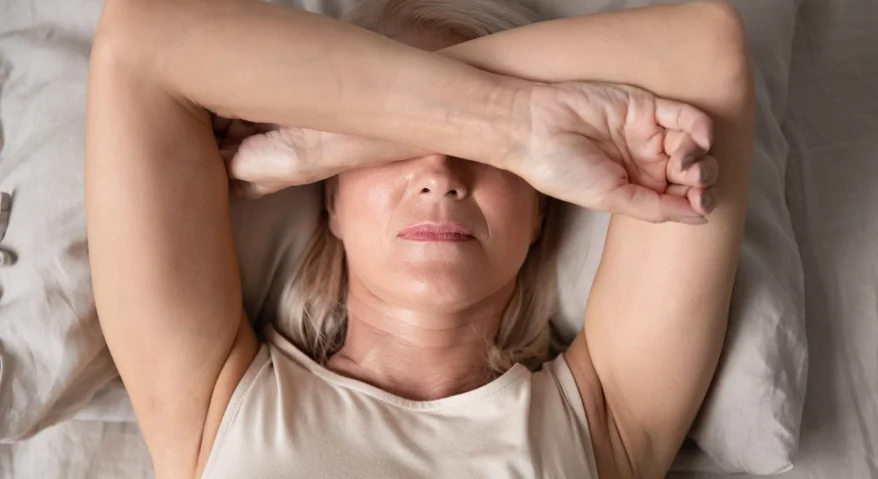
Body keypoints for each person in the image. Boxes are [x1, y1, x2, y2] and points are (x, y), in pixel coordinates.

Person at [84, 0, 754, 477]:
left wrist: (332, 135)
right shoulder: (213, 403)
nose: (438, 172)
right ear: (332, 199)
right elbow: (142, 38)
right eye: (397, 147)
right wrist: (512, 124)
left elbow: (705, 50)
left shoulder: (604, 420)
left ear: (541, 213)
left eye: (488, 156)